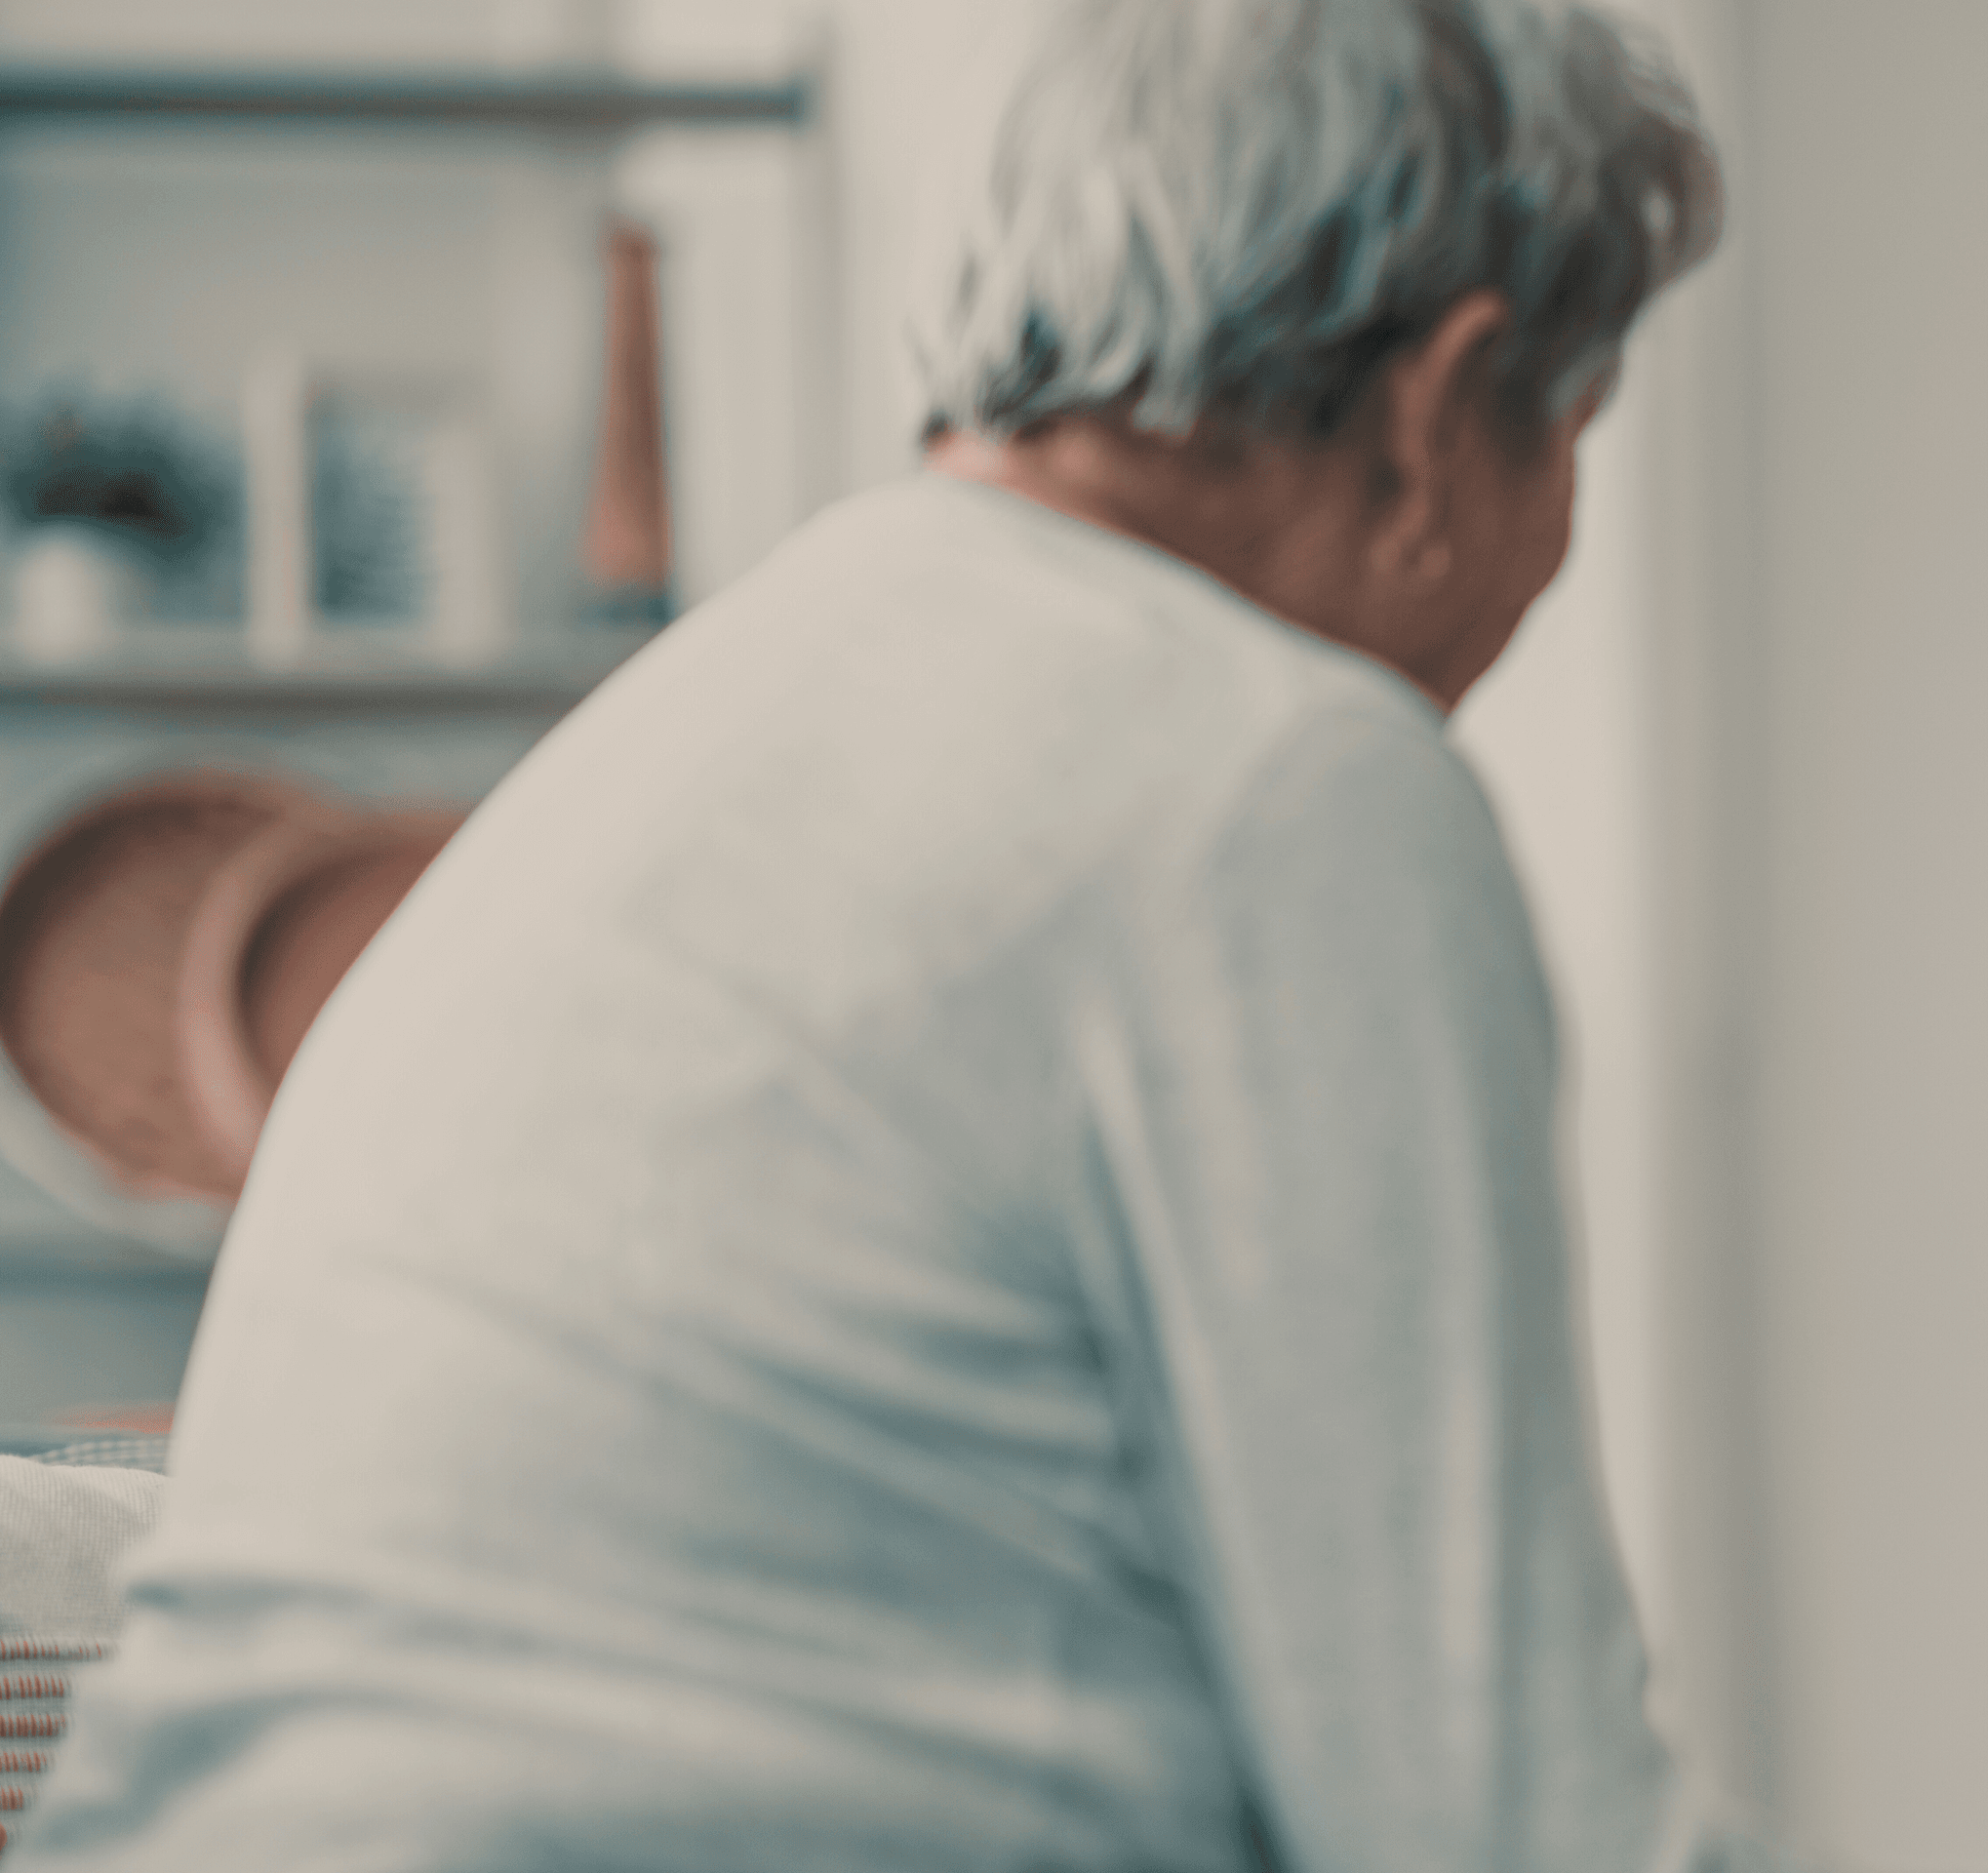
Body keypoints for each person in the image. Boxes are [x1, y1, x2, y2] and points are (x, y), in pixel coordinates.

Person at [20, 3, 1790, 1867]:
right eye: (1571, 438)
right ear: (1445, 406)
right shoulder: (1274, 781)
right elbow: (1498, 1825)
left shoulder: (685, 725)